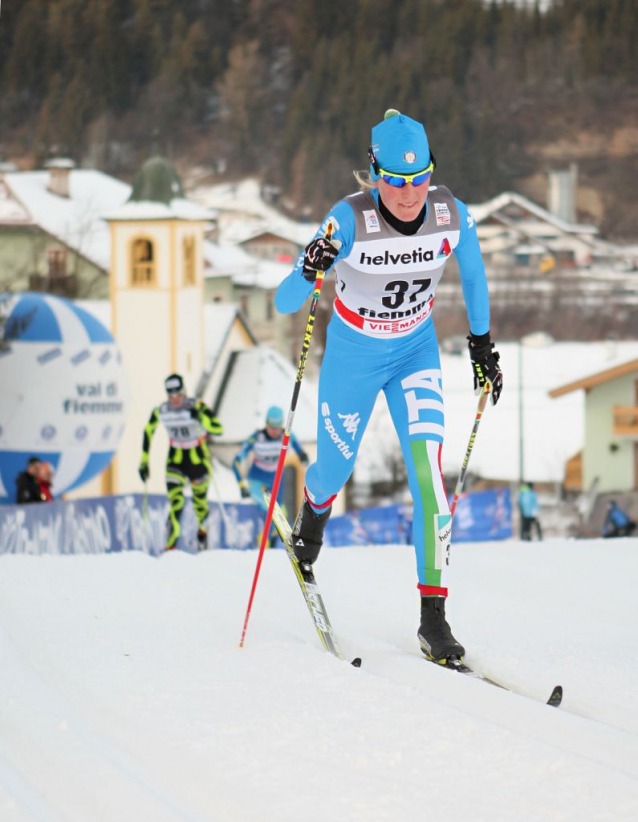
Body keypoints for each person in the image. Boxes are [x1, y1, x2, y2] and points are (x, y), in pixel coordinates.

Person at [275, 109, 503, 663]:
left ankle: (433, 618)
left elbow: (473, 274)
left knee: (430, 481)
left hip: (414, 352)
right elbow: (283, 301)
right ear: (374, 175)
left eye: (419, 178)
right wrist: (310, 268)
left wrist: (481, 345)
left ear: (432, 172)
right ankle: (313, 514)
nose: (408, 194)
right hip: (353, 354)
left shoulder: (451, 214)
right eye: (396, 182)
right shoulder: (347, 220)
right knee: (335, 466)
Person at [138, 374, 223, 552]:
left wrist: (200, 417)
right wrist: (144, 461)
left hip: (197, 459)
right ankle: (171, 545)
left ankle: (202, 534)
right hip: (175, 458)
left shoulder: (196, 406)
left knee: (200, 505)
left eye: (178, 394)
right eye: (171, 396)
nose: (175, 399)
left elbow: (218, 428)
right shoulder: (162, 410)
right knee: (176, 502)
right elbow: (148, 431)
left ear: (184, 391)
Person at [233, 405, 309, 540]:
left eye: (278, 427)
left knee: (280, 514)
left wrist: (303, 458)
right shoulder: (256, 438)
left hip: (276, 478)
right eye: (271, 427)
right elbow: (236, 461)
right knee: (270, 509)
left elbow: (301, 453)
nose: (274, 431)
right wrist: (241, 485)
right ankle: (264, 542)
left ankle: (274, 543)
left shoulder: (287, 436)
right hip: (257, 479)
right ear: (266, 424)